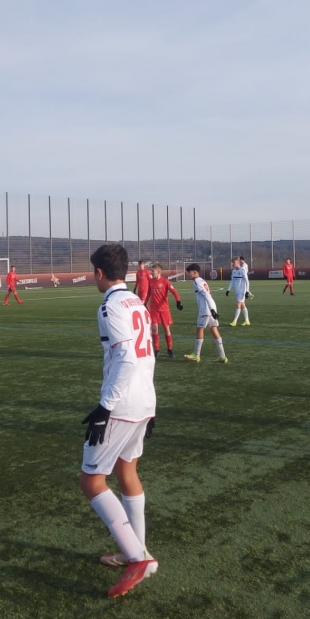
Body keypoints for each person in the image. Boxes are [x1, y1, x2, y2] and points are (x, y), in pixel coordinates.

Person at [80, 243, 158, 597]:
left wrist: (104, 407)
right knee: (127, 471)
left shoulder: (110, 306)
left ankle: (138, 558)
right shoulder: (137, 302)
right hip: (143, 400)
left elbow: (126, 357)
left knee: (91, 480)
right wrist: (150, 402)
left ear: (99, 273)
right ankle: (138, 554)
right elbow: (147, 355)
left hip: (122, 404)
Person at [184, 264, 228, 363]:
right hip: (211, 308)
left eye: (189, 272)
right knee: (213, 329)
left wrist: (211, 309)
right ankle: (222, 356)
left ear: (195, 272)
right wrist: (213, 309)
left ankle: (196, 355)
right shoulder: (202, 280)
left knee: (200, 329)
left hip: (206, 309)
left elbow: (206, 295)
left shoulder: (196, 281)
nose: (188, 274)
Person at [146, 263, 183, 358]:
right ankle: (156, 350)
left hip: (164, 310)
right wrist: (144, 303)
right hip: (154, 309)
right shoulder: (150, 281)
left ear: (158, 272)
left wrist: (178, 301)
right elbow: (148, 293)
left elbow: (174, 291)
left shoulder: (165, 281)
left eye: (153, 271)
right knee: (154, 329)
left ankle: (169, 349)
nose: (151, 272)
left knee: (166, 329)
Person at [226, 256, 250, 326]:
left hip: (242, 291)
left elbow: (247, 281)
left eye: (234, 262)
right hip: (237, 291)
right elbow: (232, 281)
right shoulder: (234, 271)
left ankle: (234, 321)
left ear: (238, 262)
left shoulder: (242, 270)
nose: (232, 264)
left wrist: (247, 291)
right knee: (242, 305)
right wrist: (228, 290)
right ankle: (247, 321)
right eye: (232, 263)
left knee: (238, 304)